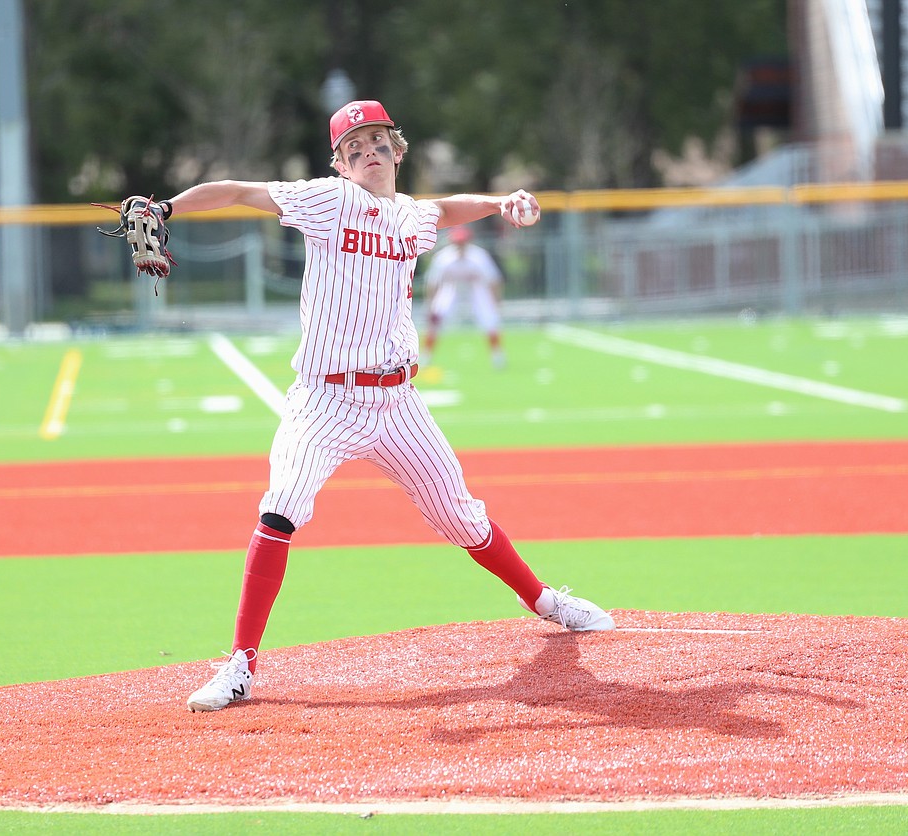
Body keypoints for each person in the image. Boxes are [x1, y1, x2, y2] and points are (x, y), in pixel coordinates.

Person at [147, 100, 614, 713]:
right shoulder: (327, 201)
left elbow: (447, 210)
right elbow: (237, 191)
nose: (368, 151)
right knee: (281, 505)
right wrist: (166, 207)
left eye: (377, 140)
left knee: (463, 518)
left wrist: (501, 203)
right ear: (340, 165)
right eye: (354, 146)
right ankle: (240, 665)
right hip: (325, 398)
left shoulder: (414, 218)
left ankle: (545, 600)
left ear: (397, 149)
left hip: (397, 402)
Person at [422, 224, 506, 369]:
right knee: (436, 316)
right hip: (452, 287)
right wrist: (430, 304)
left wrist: (496, 302)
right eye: (457, 242)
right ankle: (426, 355)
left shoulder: (479, 256)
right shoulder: (443, 258)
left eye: (462, 242)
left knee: (489, 319)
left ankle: (497, 355)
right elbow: (433, 283)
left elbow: (494, 280)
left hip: (475, 288)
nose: (460, 245)